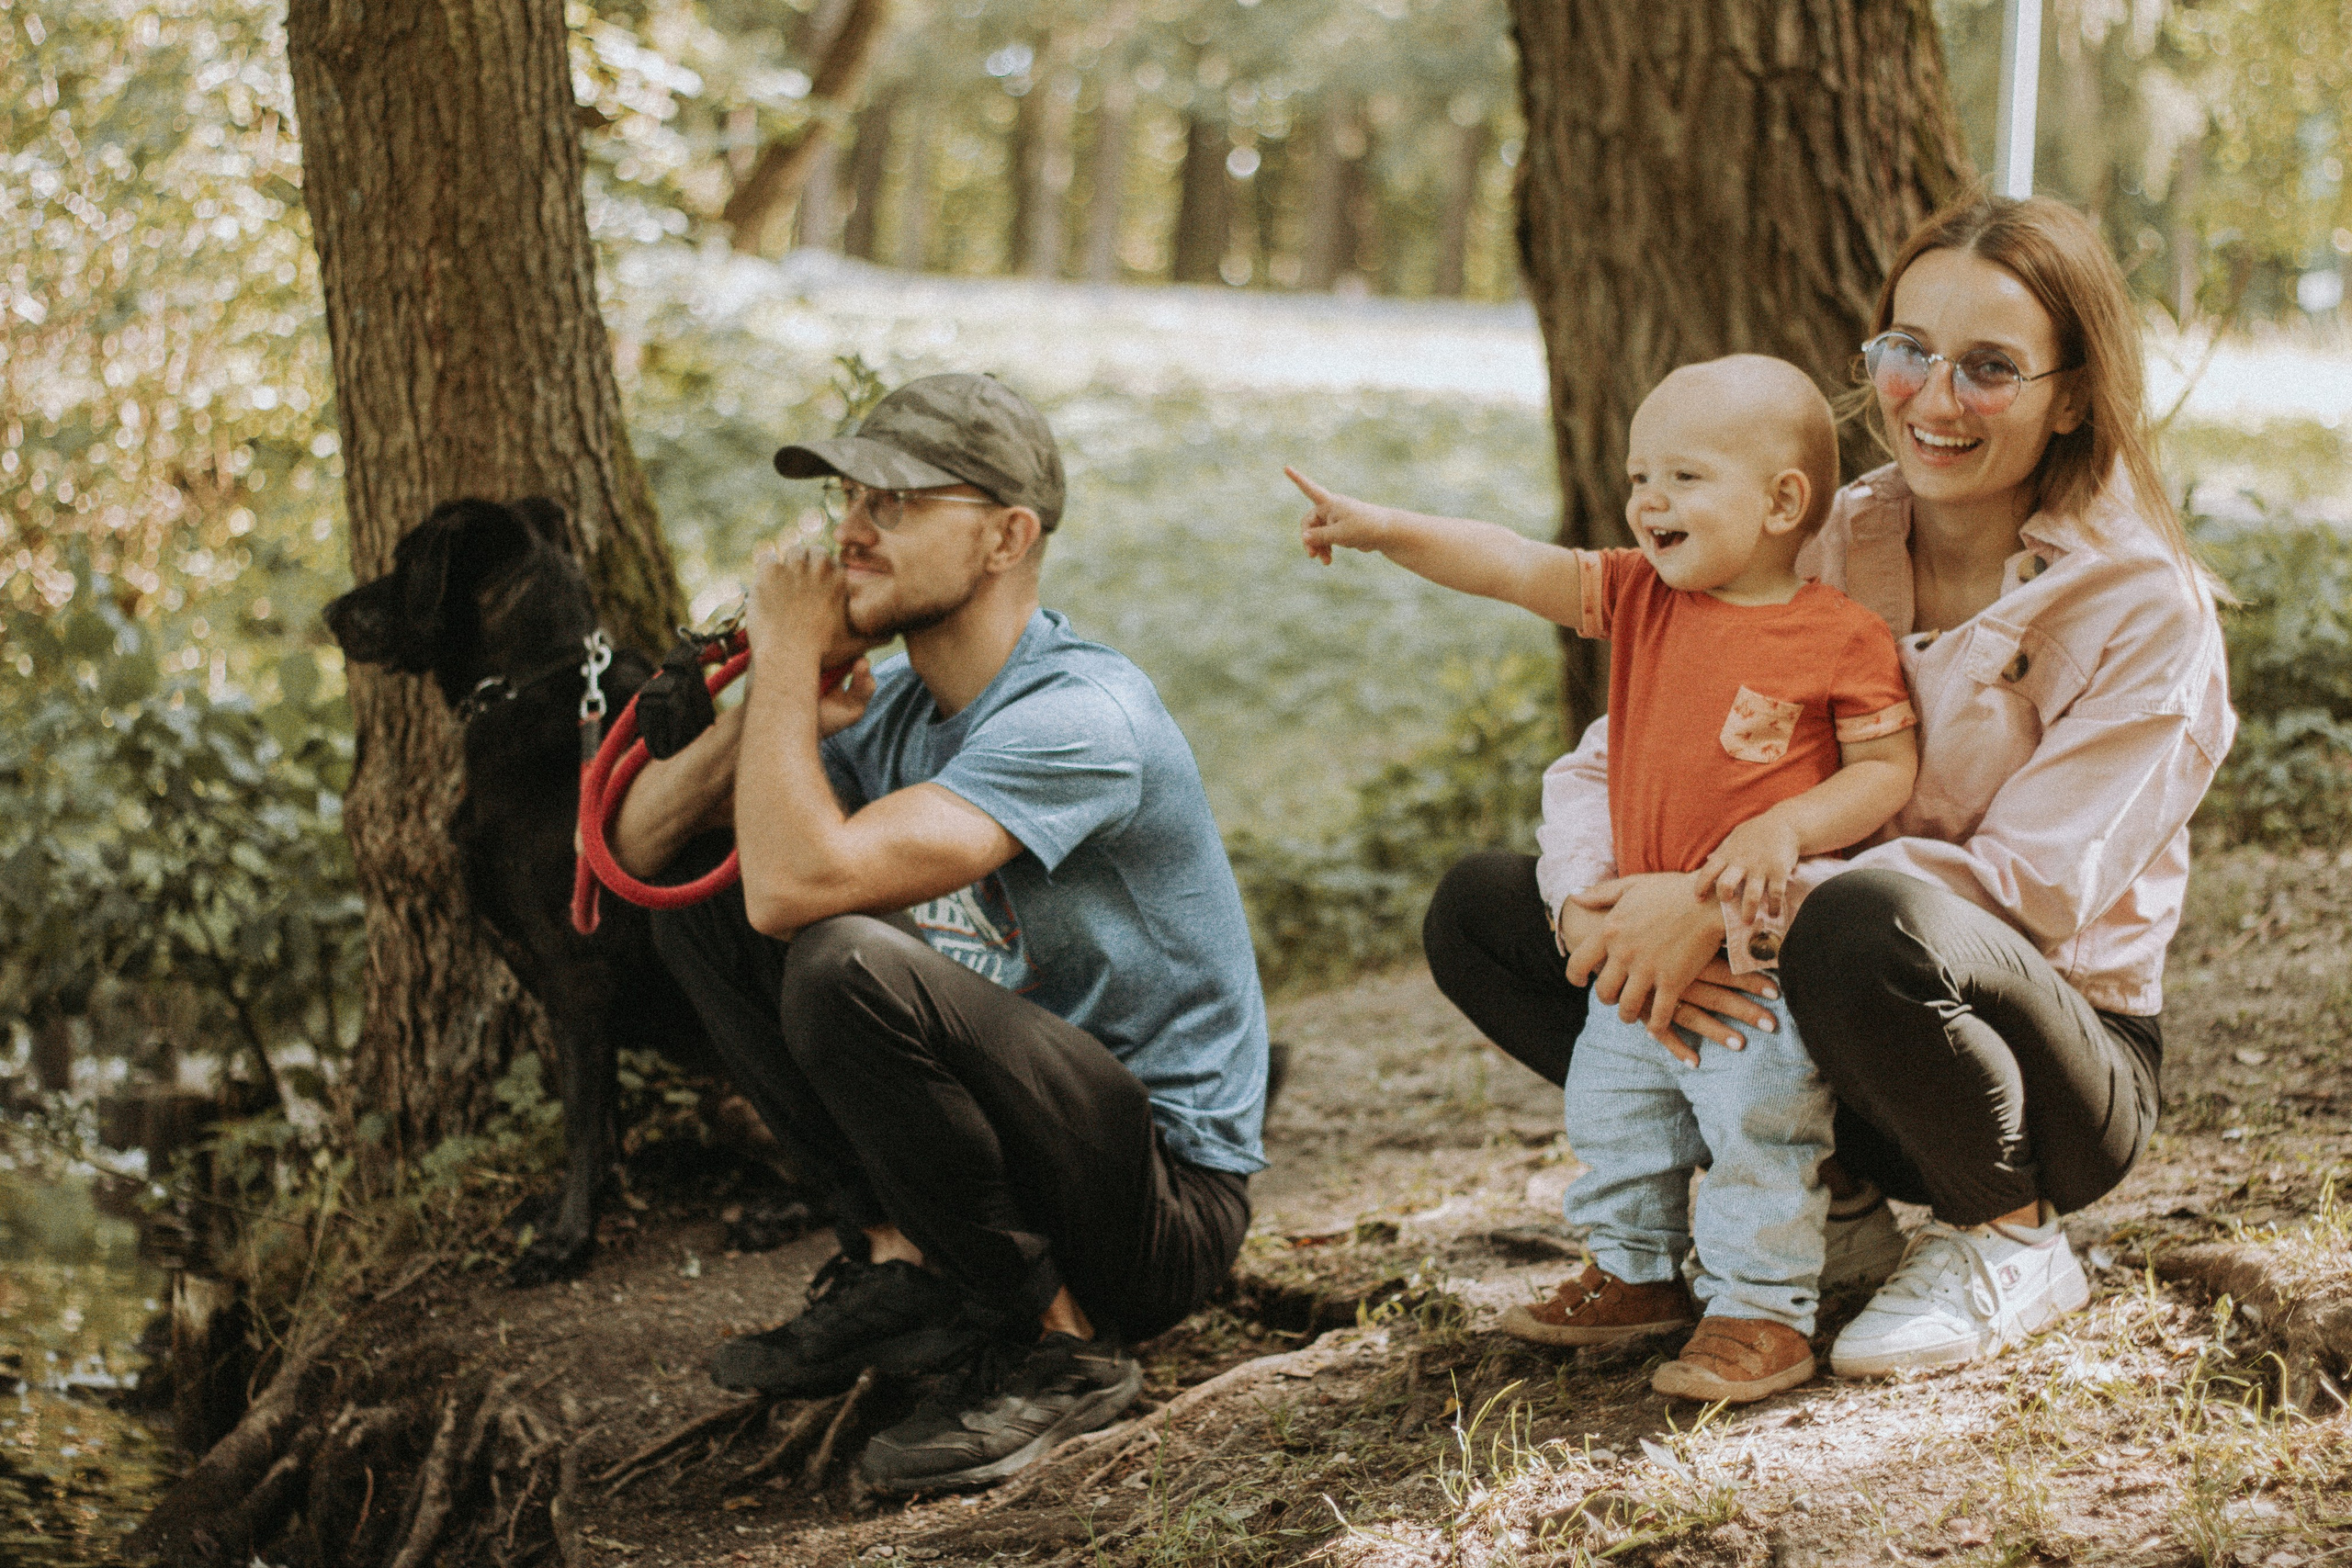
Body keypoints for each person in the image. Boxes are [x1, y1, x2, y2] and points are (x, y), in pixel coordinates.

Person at [1422, 192, 2235, 1379]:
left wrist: (1718, 902)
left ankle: (2006, 1241)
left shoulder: (2144, 604)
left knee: (1865, 915)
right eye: (1909, 351)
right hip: (1801, 1026)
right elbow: (1618, 750)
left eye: (1990, 367)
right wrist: (1594, 902)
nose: (1935, 398)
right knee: (1486, 909)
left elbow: (2033, 887)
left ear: (2071, 391)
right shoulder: (1830, 533)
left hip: (2034, 1068)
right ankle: (1830, 1200)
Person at [611, 372, 1269, 1492]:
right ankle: (908, 1265)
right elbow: (640, 847)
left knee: (841, 959)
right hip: (1013, 1159)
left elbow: (798, 888)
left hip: (1156, 1198)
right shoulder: (902, 713)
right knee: (699, 910)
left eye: (898, 506)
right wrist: (783, 704)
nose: (852, 535)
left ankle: (1060, 1351)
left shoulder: (1079, 715)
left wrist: (778, 657)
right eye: (850, 502)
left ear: (1008, 536)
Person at [1288, 355, 1920, 1402]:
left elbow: (1886, 771)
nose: (1646, 502)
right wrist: (1387, 529)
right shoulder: (1637, 597)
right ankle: (1634, 1272)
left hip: (1749, 956)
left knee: (1759, 1130)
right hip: (1639, 932)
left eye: (1681, 477)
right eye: (1638, 478)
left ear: (1782, 502)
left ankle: (1763, 1314)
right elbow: (1505, 564)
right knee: (1615, 1112)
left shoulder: (1838, 636)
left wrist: (1784, 824)